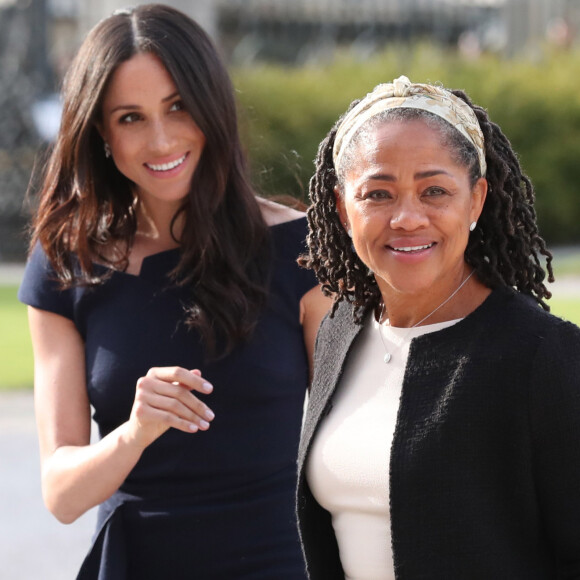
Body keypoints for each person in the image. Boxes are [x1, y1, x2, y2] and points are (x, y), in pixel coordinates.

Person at [18, 4, 330, 578]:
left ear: (212, 107)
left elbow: (364, 443)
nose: (161, 140)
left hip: (279, 562)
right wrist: (135, 433)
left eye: (178, 107)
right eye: (130, 118)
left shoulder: (305, 253)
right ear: (100, 133)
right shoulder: (68, 263)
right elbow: (61, 493)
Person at [297, 75, 580, 579]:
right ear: (343, 209)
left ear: (475, 200)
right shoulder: (340, 329)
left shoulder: (542, 355)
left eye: (434, 191)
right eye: (378, 194)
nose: (407, 217)